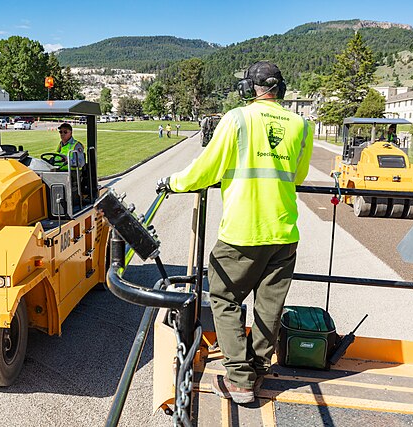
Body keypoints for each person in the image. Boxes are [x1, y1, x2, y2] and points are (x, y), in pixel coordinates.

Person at [156, 61, 313, 404]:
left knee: (224, 298)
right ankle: (256, 371)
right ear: (280, 89)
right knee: (269, 306)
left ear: (248, 89)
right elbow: (298, 176)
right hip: (284, 230)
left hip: (243, 231)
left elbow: (205, 169)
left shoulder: (238, 119)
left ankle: (240, 379)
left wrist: (173, 182)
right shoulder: (302, 124)